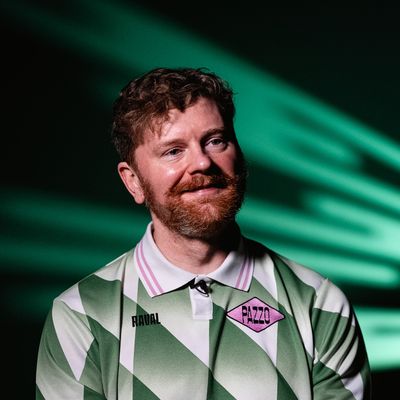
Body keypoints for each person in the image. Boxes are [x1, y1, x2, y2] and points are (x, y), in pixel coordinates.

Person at [35, 67, 371, 400]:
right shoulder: (80, 315)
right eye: (173, 150)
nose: (202, 163)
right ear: (133, 181)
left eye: (215, 141)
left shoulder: (319, 304)